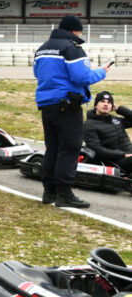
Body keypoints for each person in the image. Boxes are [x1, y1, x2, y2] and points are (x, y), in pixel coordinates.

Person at [34, 15, 109, 209]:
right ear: (74, 31)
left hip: (47, 104)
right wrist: (101, 71)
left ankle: (49, 191)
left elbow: (37, 74)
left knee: (53, 148)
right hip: (67, 105)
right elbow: (81, 77)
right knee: (69, 149)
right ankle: (64, 194)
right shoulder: (72, 48)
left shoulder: (42, 48)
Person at [84, 91, 132, 173]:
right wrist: (123, 155)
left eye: (109, 103)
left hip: (129, 156)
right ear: (95, 105)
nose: (106, 104)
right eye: (102, 101)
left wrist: (119, 109)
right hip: (115, 162)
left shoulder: (116, 120)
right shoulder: (89, 125)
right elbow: (98, 149)